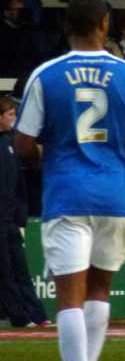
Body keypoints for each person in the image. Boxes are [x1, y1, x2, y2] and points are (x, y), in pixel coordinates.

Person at [14, 0, 125, 361]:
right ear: (104, 25)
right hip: (114, 195)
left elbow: (22, 145)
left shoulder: (46, 74)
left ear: (65, 27)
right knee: (99, 292)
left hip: (66, 194)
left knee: (68, 298)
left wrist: (49, 155)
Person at [0, 95, 49, 328]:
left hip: (10, 219)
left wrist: (21, 217)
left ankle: (37, 315)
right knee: (5, 271)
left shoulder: (11, 143)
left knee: (20, 269)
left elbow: (18, 185)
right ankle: (19, 317)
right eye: (10, 114)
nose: (15, 119)